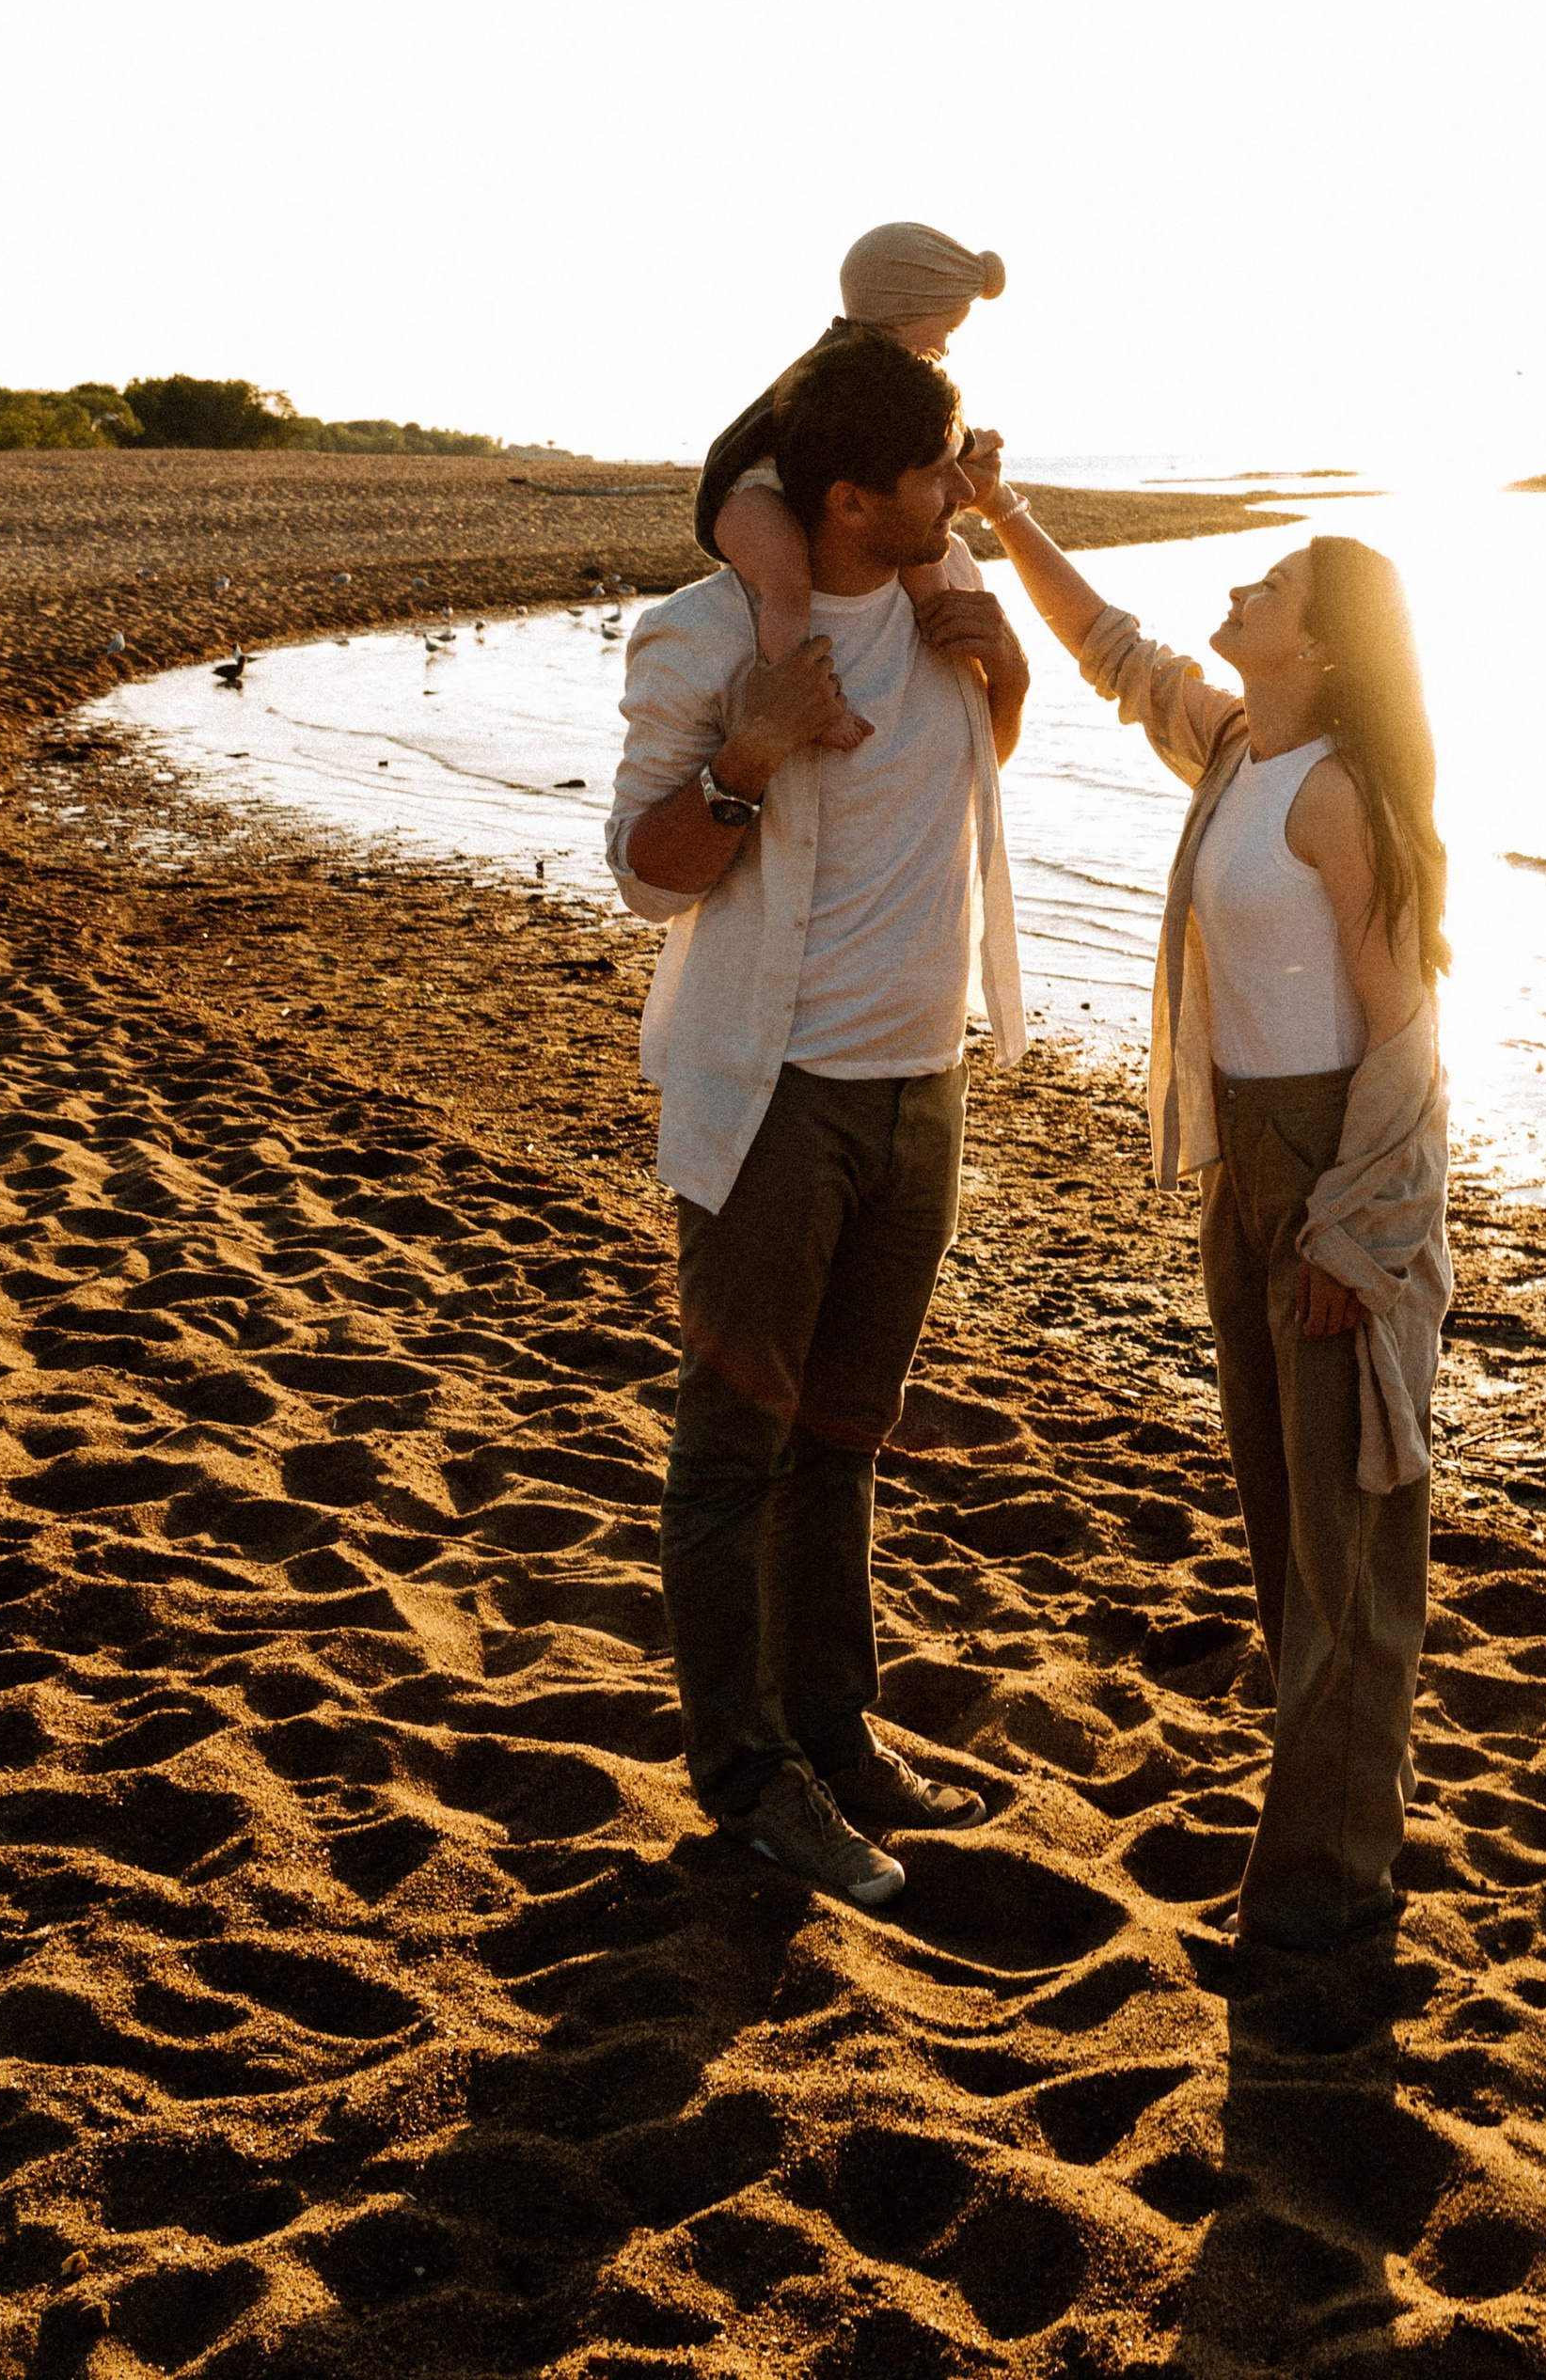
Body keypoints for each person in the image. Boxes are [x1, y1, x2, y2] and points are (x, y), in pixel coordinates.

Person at [983, 479, 1451, 1951]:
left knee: (1351, 1549)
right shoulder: (1243, 744)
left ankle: (1338, 1886)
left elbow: (1408, 1031)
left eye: (1267, 589)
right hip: (1246, 1166)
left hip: (1332, 1176)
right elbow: (1112, 650)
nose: (1237, 599)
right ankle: (1313, 1847)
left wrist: (1355, 1232)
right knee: (1280, 1522)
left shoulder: (1337, 797)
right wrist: (1001, 514)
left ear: (1318, 644)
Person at [608, 330, 1030, 1912]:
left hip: (925, 1088)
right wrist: (749, 753)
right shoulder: (708, 634)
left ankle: (835, 1730)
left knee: (845, 1442)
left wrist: (1013, 667)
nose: (964, 482)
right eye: (937, 471)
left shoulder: (944, 593)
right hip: (773, 1102)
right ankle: (748, 1775)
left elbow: (965, 776)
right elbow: (647, 872)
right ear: (854, 498)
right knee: (734, 1450)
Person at [694, 221, 1006, 744]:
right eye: (946, 330)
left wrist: (967, 447)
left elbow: (917, 434)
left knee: (914, 539)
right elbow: (898, 424)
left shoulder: (888, 364)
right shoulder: (852, 364)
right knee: (788, 584)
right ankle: (805, 702)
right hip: (745, 486)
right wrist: (971, 443)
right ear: (902, 310)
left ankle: (938, 630)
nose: (946, 349)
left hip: (799, 473)